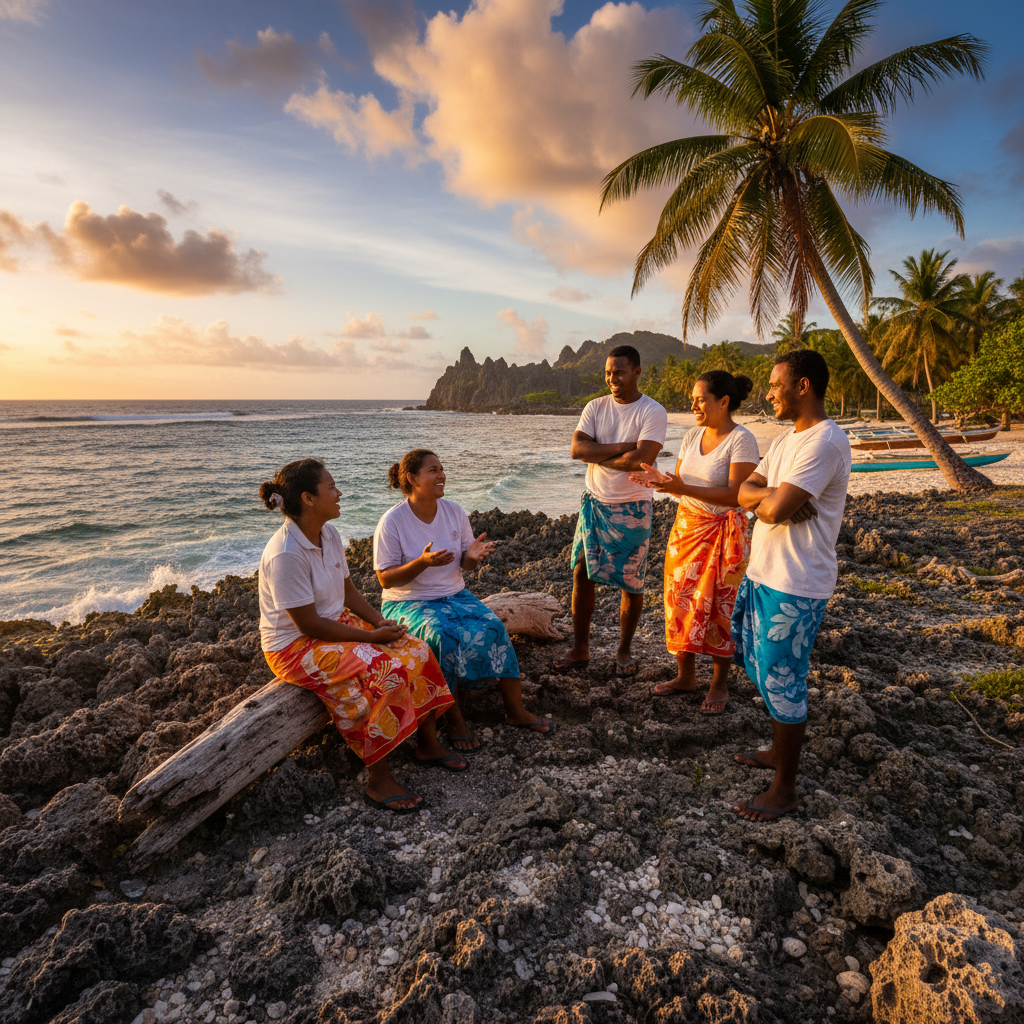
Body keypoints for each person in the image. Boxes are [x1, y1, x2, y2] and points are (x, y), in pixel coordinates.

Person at [258, 459, 464, 816]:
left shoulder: (329, 534)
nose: (339, 493)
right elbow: (308, 625)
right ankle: (378, 779)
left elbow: (348, 592)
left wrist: (382, 625)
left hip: (334, 624)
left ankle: (427, 744)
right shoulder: (285, 554)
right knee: (382, 671)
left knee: (416, 649)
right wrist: (370, 640)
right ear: (308, 498)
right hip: (293, 646)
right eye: (332, 488)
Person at [732, 350, 852, 821]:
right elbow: (746, 492)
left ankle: (785, 789)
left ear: (803, 387)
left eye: (774, 384)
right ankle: (779, 753)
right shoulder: (785, 441)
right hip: (764, 572)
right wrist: (766, 497)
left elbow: (776, 510)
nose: (767, 392)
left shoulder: (824, 443)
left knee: (785, 684)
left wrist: (766, 501)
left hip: (797, 582)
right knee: (756, 664)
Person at [374, 449, 552, 752]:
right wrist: (422, 562)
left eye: (442, 469)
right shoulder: (393, 521)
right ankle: (454, 719)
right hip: (408, 602)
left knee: (494, 627)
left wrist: (471, 556)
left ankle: (515, 710)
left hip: (455, 595)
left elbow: (466, 563)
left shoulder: (454, 511)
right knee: (441, 636)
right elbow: (385, 579)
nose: (441, 475)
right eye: (433, 470)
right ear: (412, 479)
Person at [630, 371, 759, 713]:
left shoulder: (741, 440)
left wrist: (677, 487)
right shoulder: (691, 436)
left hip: (724, 533)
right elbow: (680, 481)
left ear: (724, 402)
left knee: (721, 607)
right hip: (687, 529)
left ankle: (719, 684)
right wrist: (661, 481)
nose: (693, 405)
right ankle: (685, 675)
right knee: (678, 601)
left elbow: (737, 495)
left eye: (700, 399)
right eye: (693, 399)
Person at [554, 344, 668, 677]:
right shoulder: (595, 407)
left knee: (631, 583)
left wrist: (600, 453)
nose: (612, 378)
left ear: (636, 372)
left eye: (618, 372)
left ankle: (624, 651)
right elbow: (577, 449)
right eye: (608, 372)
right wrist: (624, 448)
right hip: (594, 503)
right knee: (580, 574)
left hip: (633, 505)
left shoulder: (652, 411)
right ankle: (580, 648)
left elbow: (641, 460)